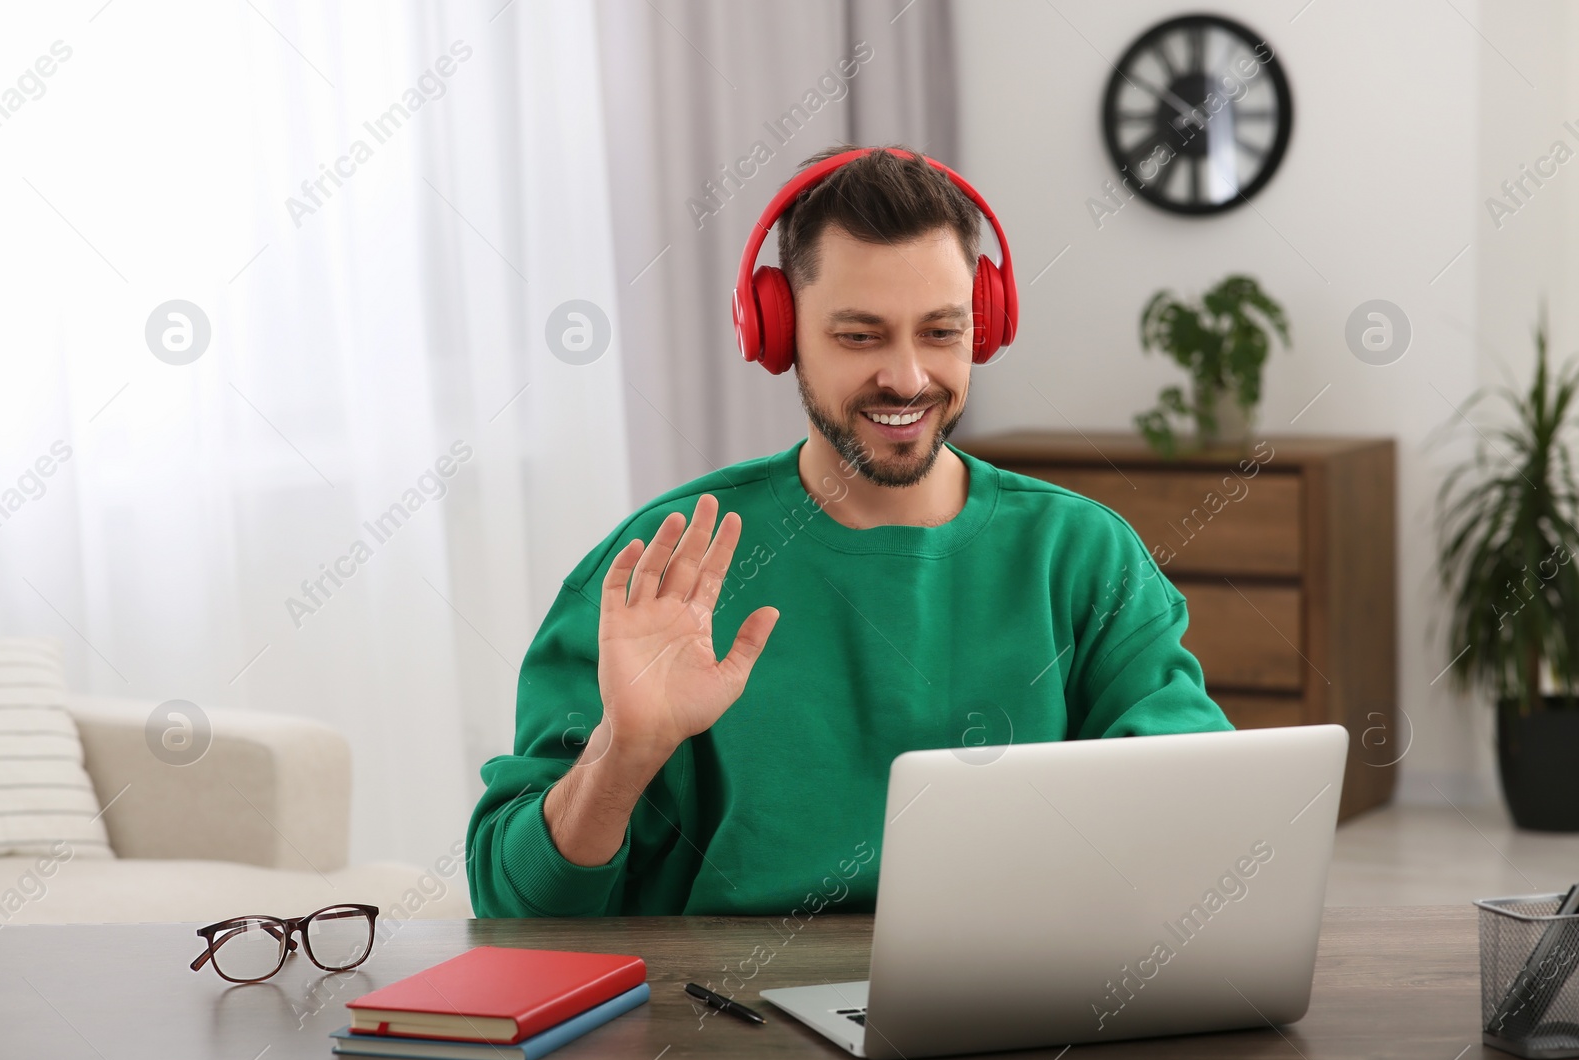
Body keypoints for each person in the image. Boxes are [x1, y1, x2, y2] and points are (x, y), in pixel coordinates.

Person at [466, 143, 1234, 918]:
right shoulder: (660, 566)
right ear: (778, 332)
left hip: (1020, 1004)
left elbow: (1203, 820)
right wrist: (621, 757)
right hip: (727, 1024)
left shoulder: (1083, 558)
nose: (906, 377)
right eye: (860, 336)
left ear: (986, 325)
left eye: (940, 332)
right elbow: (513, 909)